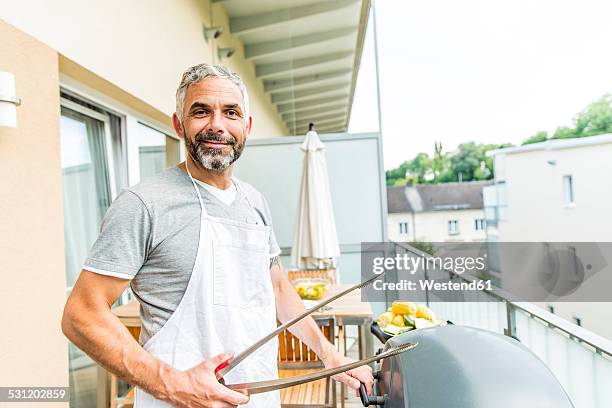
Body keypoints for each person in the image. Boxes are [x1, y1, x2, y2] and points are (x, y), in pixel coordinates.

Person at [62, 63, 374, 407]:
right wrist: (170, 385)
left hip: (258, 397)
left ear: (246, 126)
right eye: (201, 111)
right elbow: (81, 315)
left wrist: (329, 355)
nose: (217, 125)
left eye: (231, 112)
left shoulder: (255, 201)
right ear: (179, 124)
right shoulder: (143, 204)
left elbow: (277, 288)